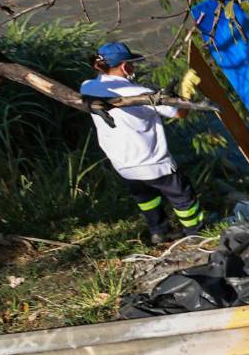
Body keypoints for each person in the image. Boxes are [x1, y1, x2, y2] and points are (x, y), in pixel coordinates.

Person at [81, 41, 205, 246]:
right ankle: (195, 234)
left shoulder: (88, 86)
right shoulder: (139, 92)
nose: (134, 67)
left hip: (123, 164)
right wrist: (186, 89)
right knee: (183, 197)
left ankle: (159, 232)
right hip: (153, 162)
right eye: (132, 63)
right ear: (124, 66)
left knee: (146, 198)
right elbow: (180, 112)